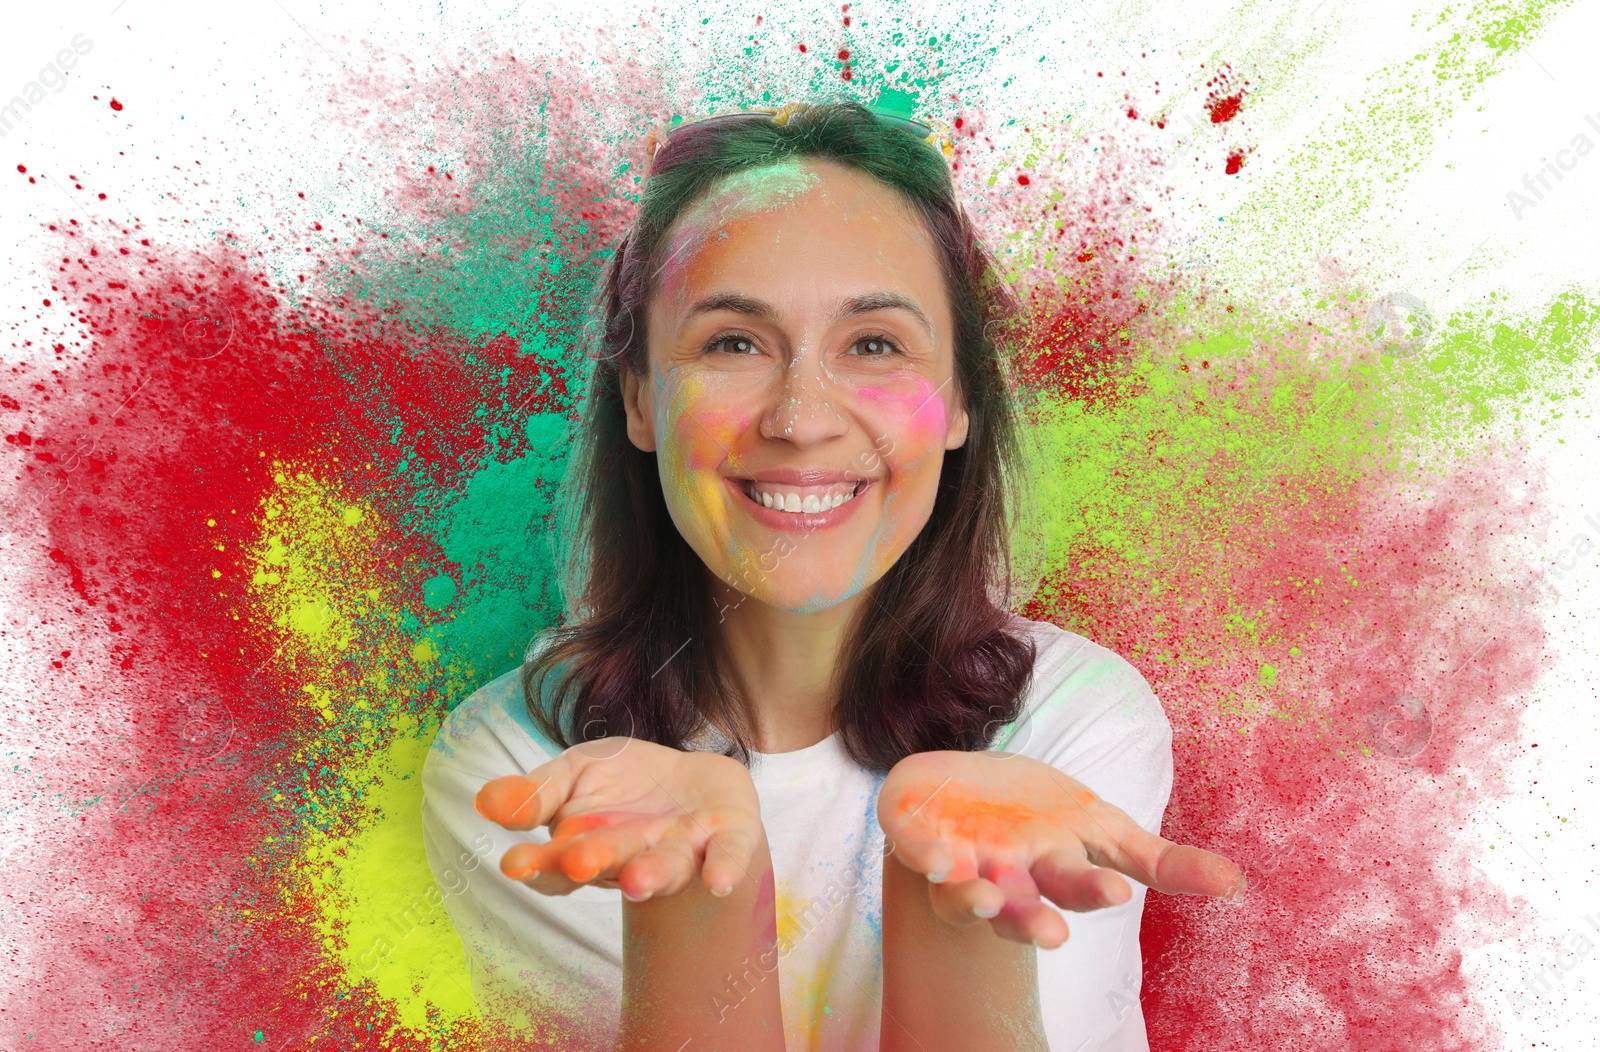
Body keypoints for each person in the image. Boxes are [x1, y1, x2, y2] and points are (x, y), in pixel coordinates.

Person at [420, 101, 1243, 1052]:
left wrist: (950, 909)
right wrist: (694, 900)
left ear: (962, 399)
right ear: (642, 397)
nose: (802, 419)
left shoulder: (1075, 715)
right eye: (733, 342)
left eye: (875, 345)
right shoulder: (522, 766)